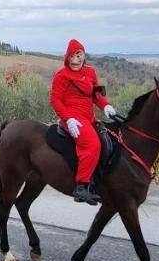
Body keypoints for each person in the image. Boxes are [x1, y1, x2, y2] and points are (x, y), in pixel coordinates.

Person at [50, 39, 117, 205]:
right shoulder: (62, 76)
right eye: (72, 56)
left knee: (109, 139)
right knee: (92, 144)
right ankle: (82, 187)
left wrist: (106, 105)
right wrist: (68, 119)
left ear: (83, 55)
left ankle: (97, 181)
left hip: (88, 116)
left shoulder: (90, 72)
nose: (76, 60)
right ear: (67, 58)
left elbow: (96, 96)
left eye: (78, 55)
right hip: (72, 118)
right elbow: (55, 100)